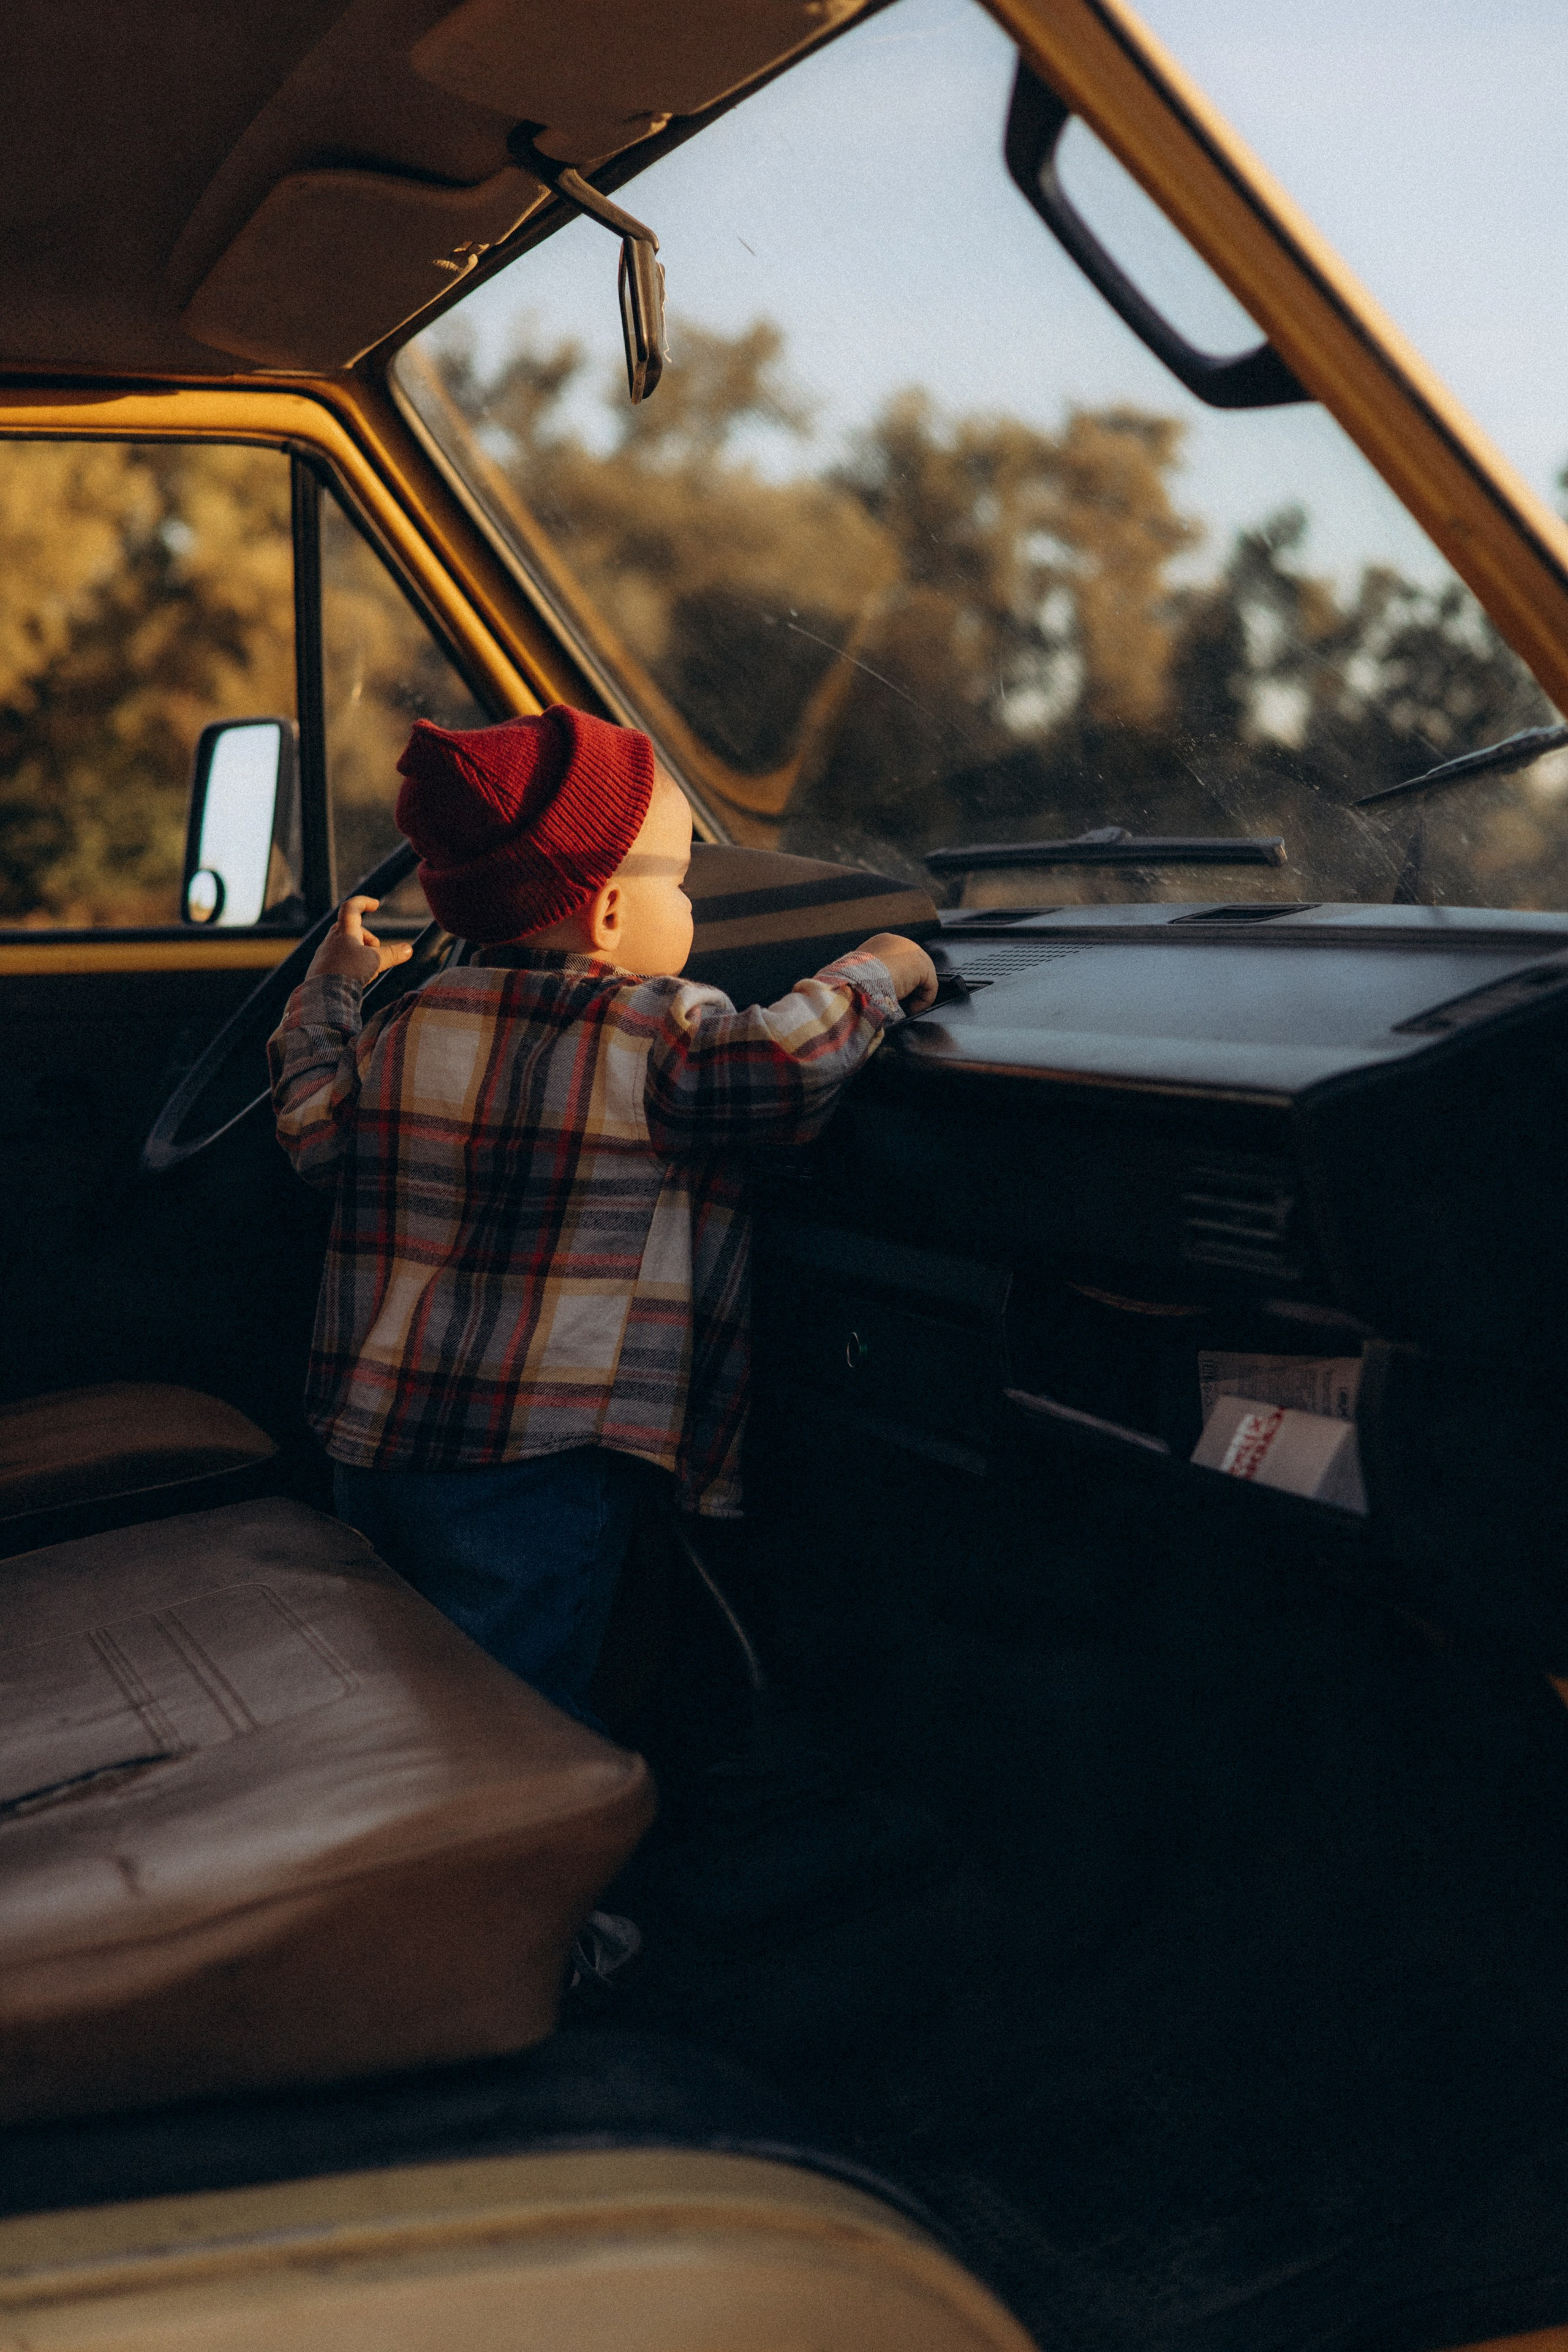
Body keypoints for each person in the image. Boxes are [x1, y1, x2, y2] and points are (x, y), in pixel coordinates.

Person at [268, 703, 936, 1723]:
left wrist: (325, 996)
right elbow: (784, 1066)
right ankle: (520, 1870)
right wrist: (880, 969)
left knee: (413, 1681)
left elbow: (314, 1128)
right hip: (541, 1455)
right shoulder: (656, 1033)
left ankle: (418, 1846)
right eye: (681, 879)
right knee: (517, 1708)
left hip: (379, 1435)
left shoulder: (399, 1027)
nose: (696, 908)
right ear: (611, 917)